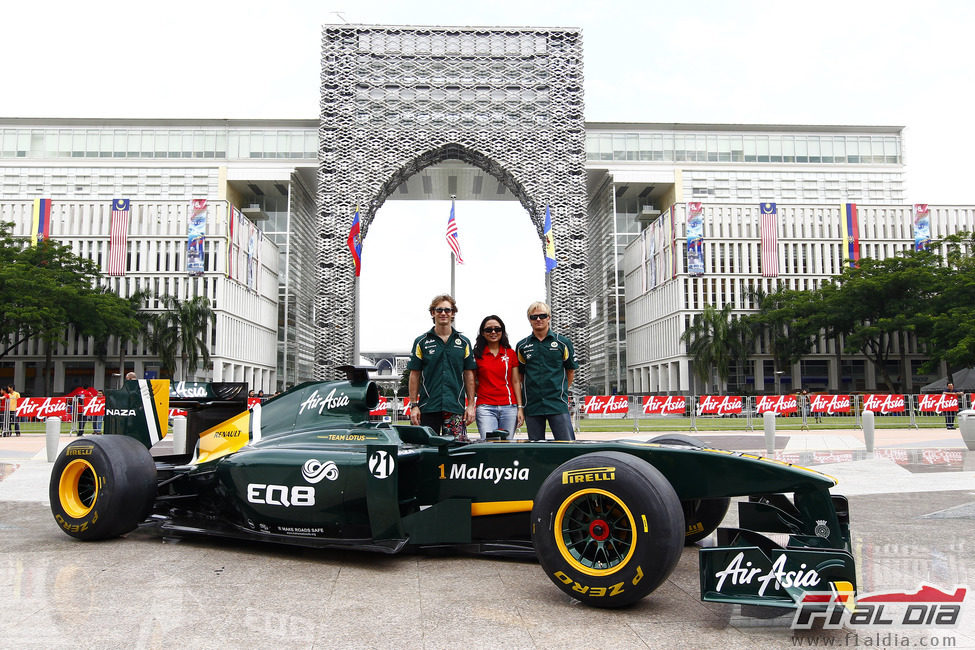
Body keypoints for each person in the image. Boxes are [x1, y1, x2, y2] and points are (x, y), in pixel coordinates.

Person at [407, 295, 476, 441]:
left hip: (454, 407)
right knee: (426, 450)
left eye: (447, 310)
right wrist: (414, 405)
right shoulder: (421, 342)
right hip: (428, 407)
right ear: (433, 313)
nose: (443, 313)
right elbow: (414, 375)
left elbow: (469, 375)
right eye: (439, 310)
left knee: (455, 452)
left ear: (453, 313)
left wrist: (471, 405)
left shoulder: (464, 342)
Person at [515, 301, 578, 441]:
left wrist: (561, 389)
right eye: (534, 317)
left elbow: (570, 371)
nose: (538, 319)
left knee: (567, 445)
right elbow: (519, 376)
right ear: (529, 320)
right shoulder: (522, 345)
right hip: (532, 405)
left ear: (549, 317)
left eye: (542, 316)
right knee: (536, 449)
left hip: (557, 404)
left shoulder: (563, 343)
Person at [472, 315, 523, 440]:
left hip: (509, 407)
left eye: (497, 329)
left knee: (506, 445)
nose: (493, 332)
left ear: (502, 331)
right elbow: (472, 381)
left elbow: (516, 382)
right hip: (485, 407)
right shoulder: (477, 355)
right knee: (489, 444)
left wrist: (520, 408)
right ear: (483, 333)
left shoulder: (510, 353)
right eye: (488, 330)